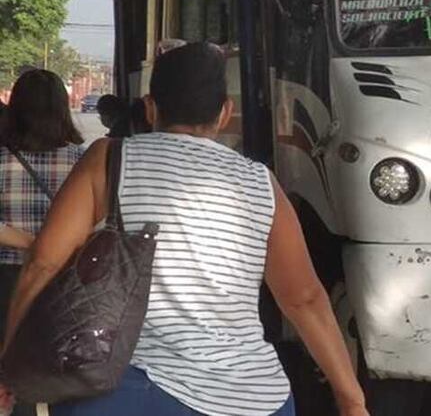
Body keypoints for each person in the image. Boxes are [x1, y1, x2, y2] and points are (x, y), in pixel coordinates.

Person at [1, 44, 368, 416]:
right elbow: (303, 299)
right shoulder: (261, 183)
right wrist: (351, 399)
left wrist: (8, 367)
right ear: (225, 112)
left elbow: (44, 264)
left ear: (150, 107)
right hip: (253, 397)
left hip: (127, 392)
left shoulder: (109, 159)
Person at [0, 69, 84, 416]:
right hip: (64, 279)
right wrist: (49, 247)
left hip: (6, 279)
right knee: (61, 370)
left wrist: (32, 244)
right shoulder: (84, 161)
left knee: (11, 370)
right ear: (62, 109)